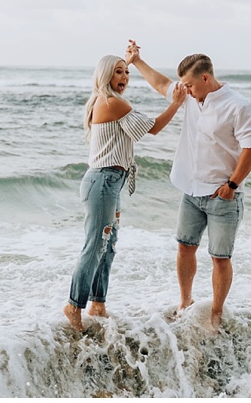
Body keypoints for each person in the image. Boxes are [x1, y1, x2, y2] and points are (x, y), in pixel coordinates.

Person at [125, 40, 251, 332]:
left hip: (222, 195)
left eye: (188, 84)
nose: (183, 90)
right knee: (185, 248)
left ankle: (216, 312)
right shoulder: (188, 95)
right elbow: (160, 82)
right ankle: (185, 303)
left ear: (205, 78)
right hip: (190, 191)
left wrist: (232, 185)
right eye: (182, 85)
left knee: (219, 257)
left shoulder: (238, 105)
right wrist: (136, 61)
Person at [63, 53, 184, 332]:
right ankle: (73, 305)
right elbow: (152, 128)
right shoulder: (111, 103)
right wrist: (176, 103)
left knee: (109, 245)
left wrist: (134, 59)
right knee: (95, 246)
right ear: (106, 75)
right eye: (118, 72)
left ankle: (98, 304)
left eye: (126, 73)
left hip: (111, 182)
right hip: (102, 182)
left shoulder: (106, 102)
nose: (124, 78)